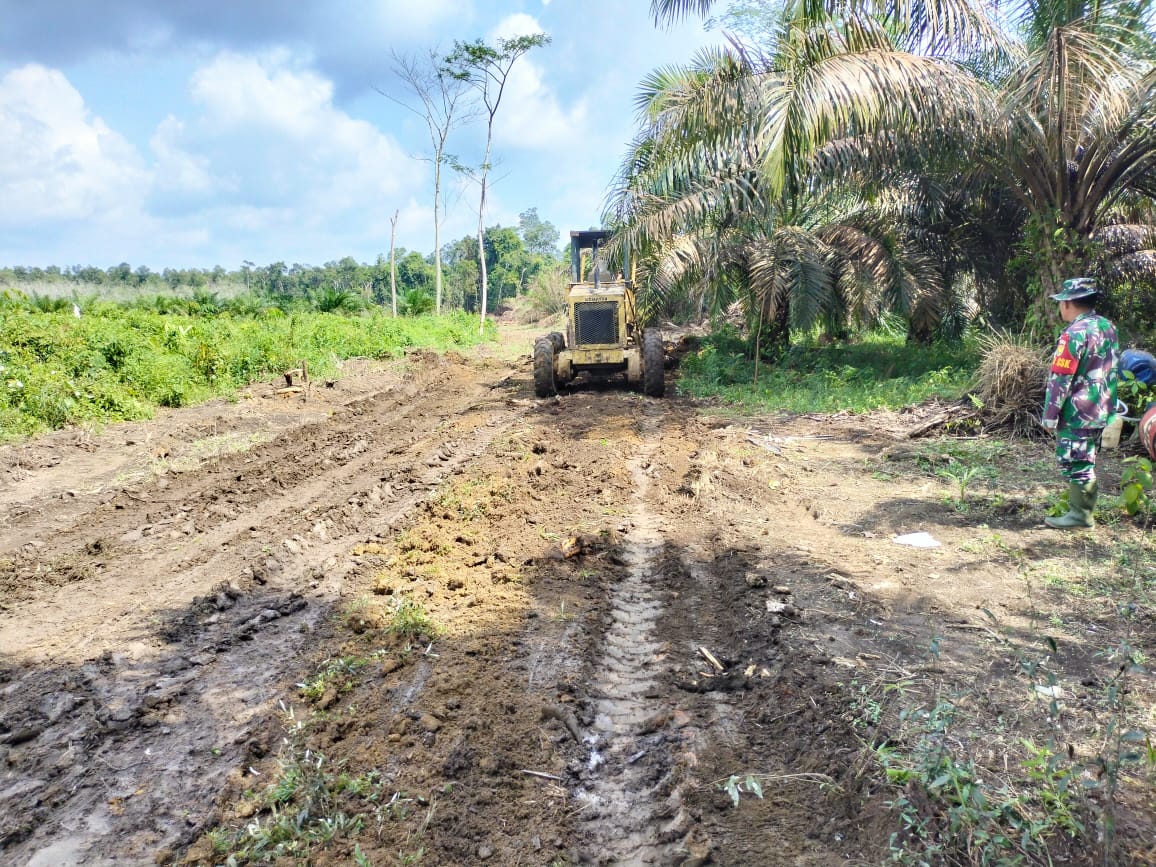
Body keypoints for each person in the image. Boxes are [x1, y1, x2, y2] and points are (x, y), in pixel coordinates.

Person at [1040, 277, 1119, 529]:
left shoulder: (1073, 334)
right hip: (1102, 407)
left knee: (1076, 460)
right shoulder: (1107, 327)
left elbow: (1060, 379)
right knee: (1087, 457)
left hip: (1077, 411)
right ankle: (1081, 512)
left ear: (1068, 303)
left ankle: (1080, 516)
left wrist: (1050, 415)